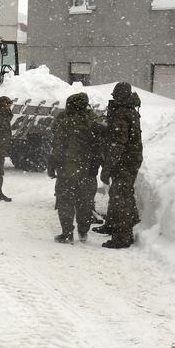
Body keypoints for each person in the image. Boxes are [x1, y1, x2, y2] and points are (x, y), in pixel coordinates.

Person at [47, 92, 102, 243]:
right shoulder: (94, 121)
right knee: (85, 202)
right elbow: (100, 146)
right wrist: (97, 164)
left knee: (65, 201)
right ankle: (83, 232)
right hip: (88, 170)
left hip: (67, 169)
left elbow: (57, 147)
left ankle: (67, 233)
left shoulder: (65, 121)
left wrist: (52, 165)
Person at [94, 82, 142, 248]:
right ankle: (113, 225)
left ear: (119, 95)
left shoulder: (122, 114)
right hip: (128, 159)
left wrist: (107, 168)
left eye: (115, 95)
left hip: (125, 160)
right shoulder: (127, 110)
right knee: (119, 193)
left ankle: (122, 237)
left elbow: (118, 143)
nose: (113, 97)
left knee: (121, 196)